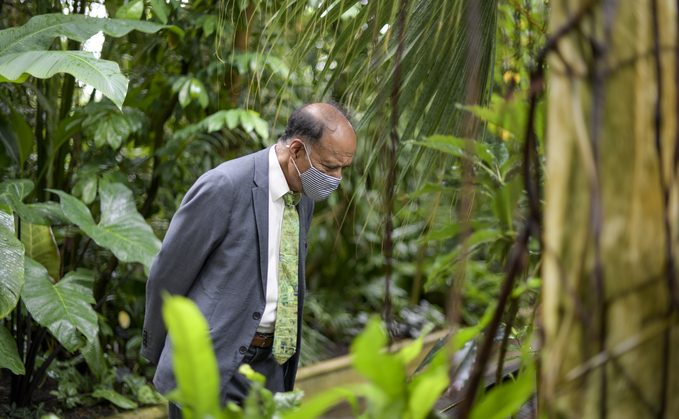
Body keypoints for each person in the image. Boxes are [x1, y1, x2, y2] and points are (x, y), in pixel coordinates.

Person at [141, 103, 357, 417]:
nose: (336, 179)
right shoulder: (225, 185)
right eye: (328, 167)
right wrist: (163, 354)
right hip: (206, 361)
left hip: (270, 366)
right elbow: (168, 275)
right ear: (296, 150)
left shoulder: (304, 194)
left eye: (342, 169)